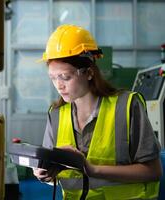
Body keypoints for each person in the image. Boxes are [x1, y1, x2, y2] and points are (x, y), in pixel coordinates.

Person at [33, 24, 163, 199]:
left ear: (88, 72)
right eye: (53, 78)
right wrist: (45, 175)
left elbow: (153, 171)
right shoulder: (56, 114)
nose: (58, 85)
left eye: (65, 77)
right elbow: (56, 173)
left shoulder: (126, 106)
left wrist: (91, 169)